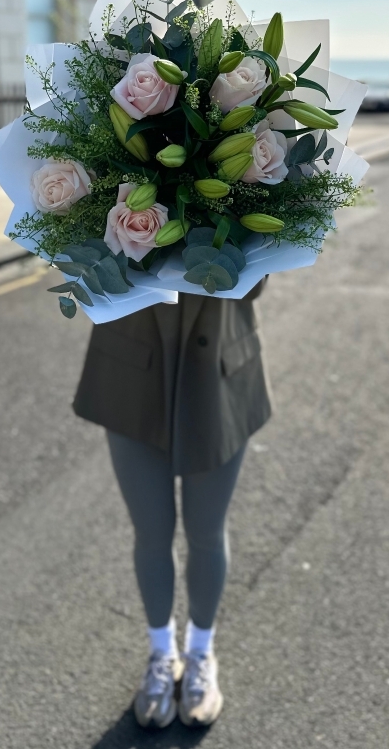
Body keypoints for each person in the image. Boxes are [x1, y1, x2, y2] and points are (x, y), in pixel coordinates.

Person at [73, 280, 271, 728]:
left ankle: (201, 653)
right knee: (151, 530)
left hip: (219, 365)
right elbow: (86, 265)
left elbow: (256, 282)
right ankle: (163, 654)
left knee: (207, 531)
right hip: (131, 367)